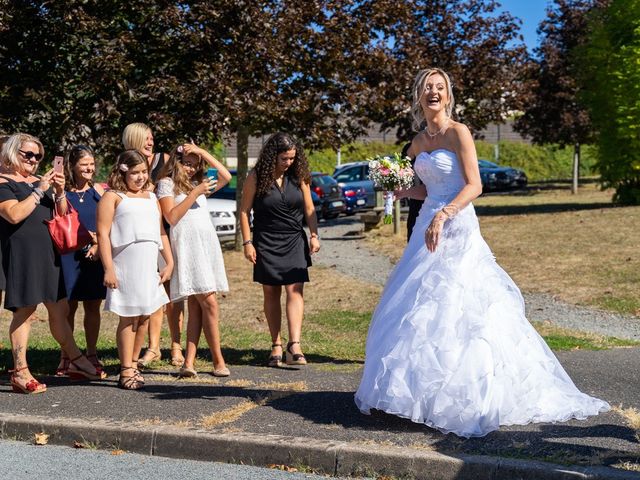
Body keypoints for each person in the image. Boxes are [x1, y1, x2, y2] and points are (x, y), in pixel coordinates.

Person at [354, 68, 610, 438]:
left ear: (448, 95)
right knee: (419, 307)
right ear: (418, 96)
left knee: (459, 305)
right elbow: (426, 189)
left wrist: (445, 213)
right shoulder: (416, 142)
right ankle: (419, 397)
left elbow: (475, 185)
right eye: (427, 88)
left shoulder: (459, 133)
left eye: (440, 88)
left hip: (456, 226)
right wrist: (403, 192)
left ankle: (469, 394)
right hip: (427, 226)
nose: (434, 93)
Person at [0, 133, 106, 394]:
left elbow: (60, 214)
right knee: (25, 311)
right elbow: (13, 215)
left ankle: (76, 361)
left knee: (59, 309)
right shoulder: (3, 183)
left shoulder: (40, 182)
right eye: (28, 155)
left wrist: (58, 192)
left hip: (49, 254)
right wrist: (39, 191)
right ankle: (20, 371)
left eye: (38, 156)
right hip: (22, 256)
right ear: (13, 153)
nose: (34, 160)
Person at [239, 133, 320, 367]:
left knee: (295, 290)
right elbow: (244, 212)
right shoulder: (256, 177)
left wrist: (314, 235)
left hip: (294, 239)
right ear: (272, 156)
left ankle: (294, 344)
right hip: (266, 239)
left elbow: (309, 207)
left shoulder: (299, 176)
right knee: (271, 292)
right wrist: (247, 242)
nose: (289, 163)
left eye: (293, 158)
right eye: (284, 158)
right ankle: (276, 343)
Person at [96, 149, 172, 389]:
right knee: (129, 317)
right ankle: (126, 368)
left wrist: (169, 261)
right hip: (125, 263)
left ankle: (135, 362)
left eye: (144, 172)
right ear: (123, 171)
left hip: (148, 263)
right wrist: (108, 268)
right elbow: (103, 234)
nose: (140, 177)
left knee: (145, 316)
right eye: (135, 172)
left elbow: (160, 231)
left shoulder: (152, 198)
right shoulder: (113, 197)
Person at [156, 142, 231, 377]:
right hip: (187, 249)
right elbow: (171, 217)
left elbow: (226, 176)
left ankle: (189, 362)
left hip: (205, 246)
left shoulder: (198, 183)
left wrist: (203, 153)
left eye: (194, 165)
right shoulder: (166, 185)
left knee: (197, 306)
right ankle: (218, 360)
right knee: (209, 302)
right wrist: (194, 194)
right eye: (186, 164)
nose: (190, 169)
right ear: (176, 163)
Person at [122, 122, 184, 367]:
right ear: (134, 140)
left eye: (151, 138)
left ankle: (176, 347)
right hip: (143, 236)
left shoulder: (164, 160)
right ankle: (153, 347)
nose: (151, 142)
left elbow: (176, 187)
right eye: (146, 138)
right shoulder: (125, 164)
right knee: (153, 292)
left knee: (173, 293)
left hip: (167, 230)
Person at [56, 145, 107, 376]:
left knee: (93, 305)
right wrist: (58, 191)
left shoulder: (99, 190)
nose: (89, 168)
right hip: (69, 254)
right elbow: (62, 215)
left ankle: (92, 352)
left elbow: (109, 220)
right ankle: (66, 355)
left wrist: (98, 244)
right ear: (73, 166)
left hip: (94, 255)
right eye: (84, 164)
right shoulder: (63, 192)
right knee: (68, 307)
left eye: (92, 163)